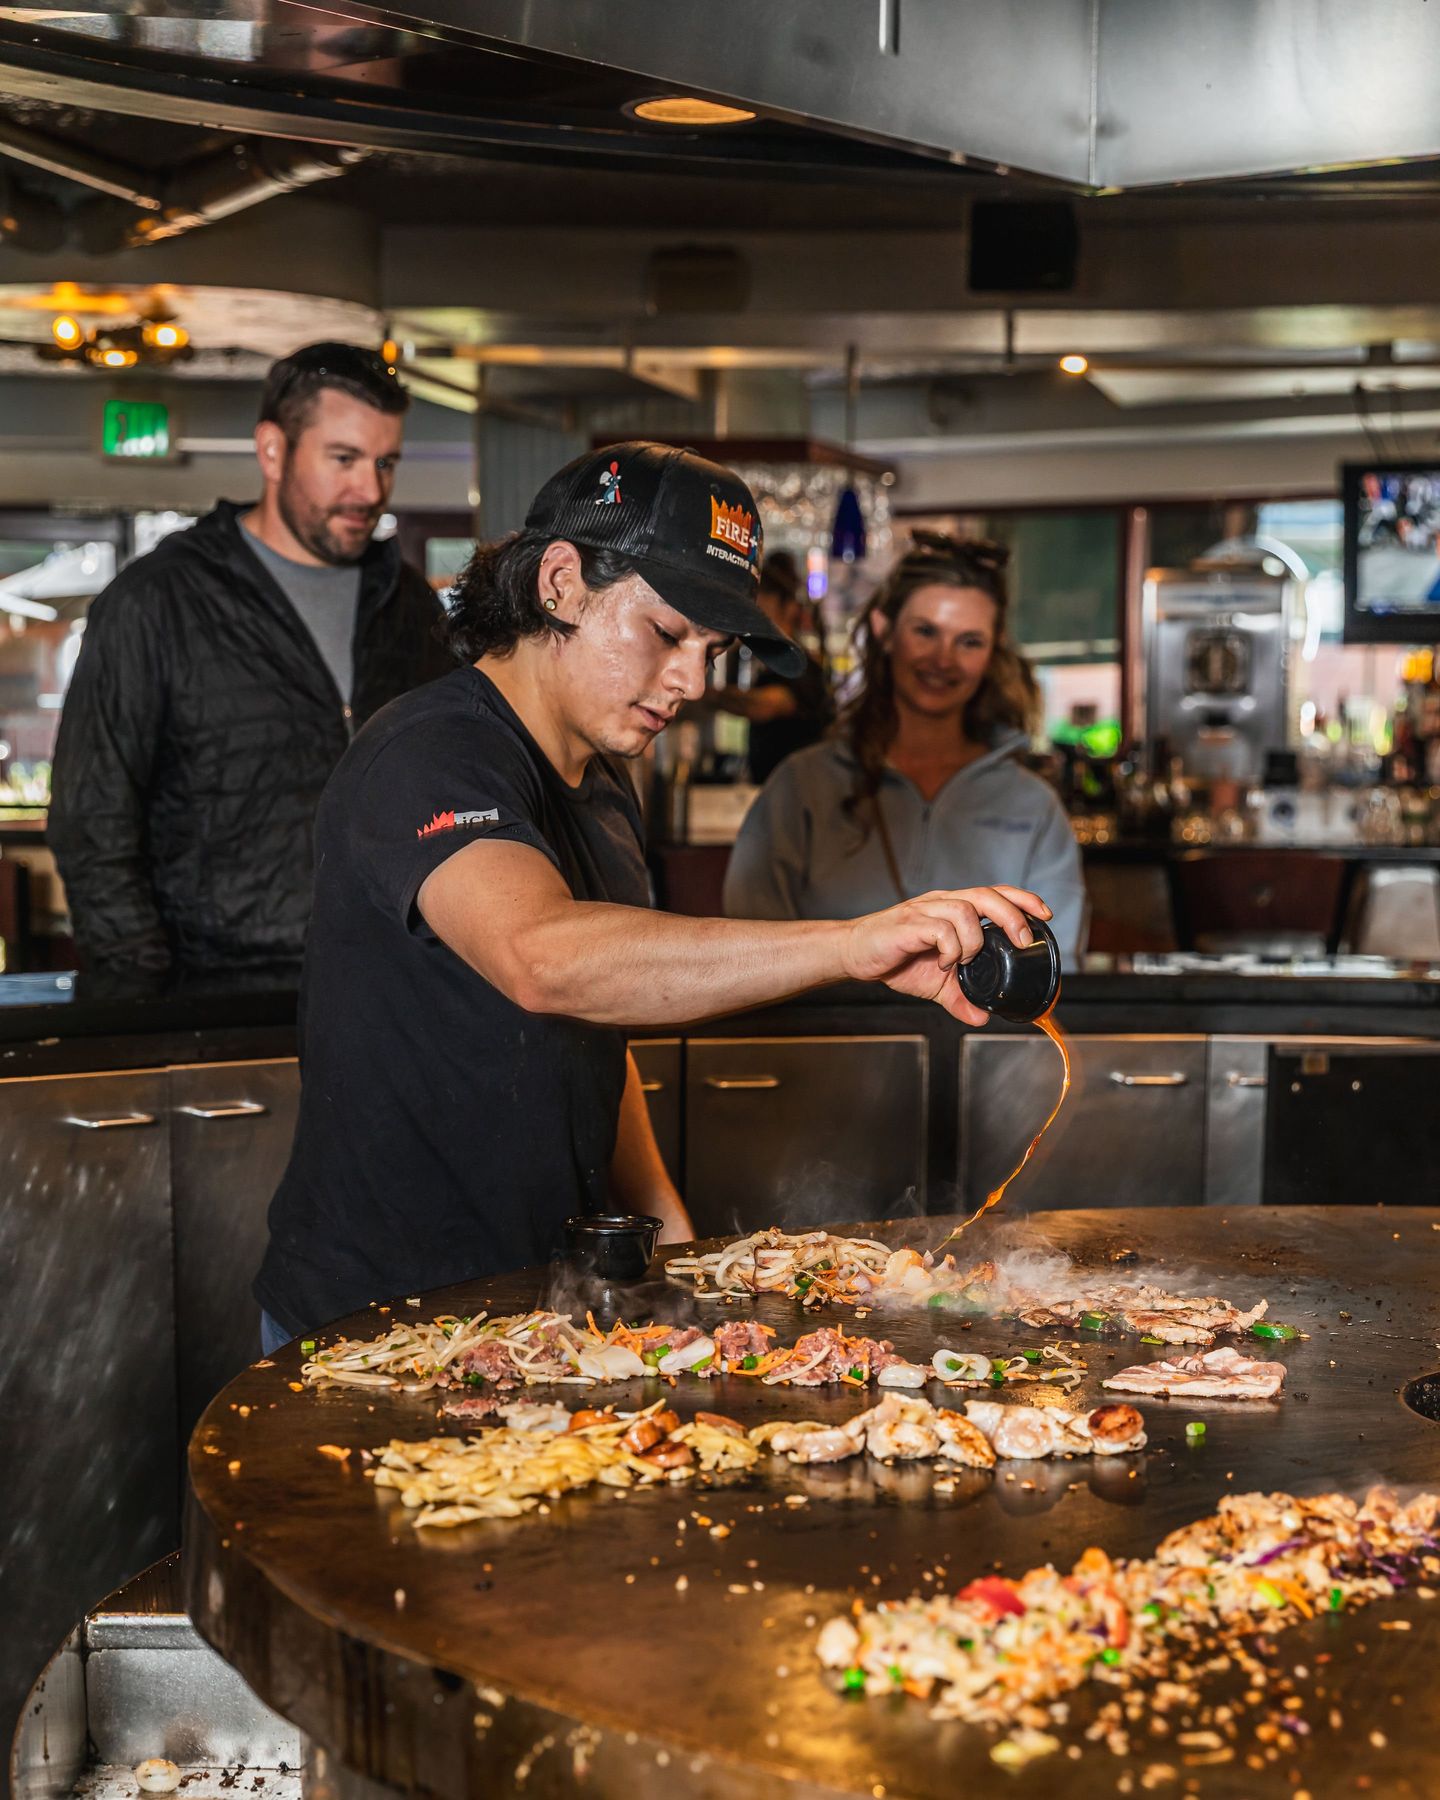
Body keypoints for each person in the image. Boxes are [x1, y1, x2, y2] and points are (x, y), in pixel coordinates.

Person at [253, 445, 1055, 1348]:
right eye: (667, 634)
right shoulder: (427, 753)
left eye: (711, 651)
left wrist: (676, 1249)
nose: (693, 682)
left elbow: (594, 1024)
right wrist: (850, 945)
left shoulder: (599, 781)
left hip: (541, 1310)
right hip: (381, 1316)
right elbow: (544, 961)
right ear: (560, 583)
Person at [49, 341, 452, 976]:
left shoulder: (409, 607)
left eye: (386, 462)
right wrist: (148, 1000)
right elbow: (92, 822)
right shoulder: (157, 600)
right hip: (218, 994)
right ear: (272, 450)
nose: (369, 489)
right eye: (343, 459)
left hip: (388, 992)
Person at [723, 531, 1086, 960]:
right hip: (827, 1029)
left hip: (986, 1028)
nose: (944, 659)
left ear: (992, 651)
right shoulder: (803, 785)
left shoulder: (1033, 806)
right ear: (885, 630)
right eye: (926, 631)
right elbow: (747, 953)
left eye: (969, 641)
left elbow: (1057, 968)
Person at [699, 550, 834, 784]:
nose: (754, 613)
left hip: (800, 798)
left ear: (790, 607)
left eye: (762, 603)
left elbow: (760, 705)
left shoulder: (800, 667)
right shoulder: (767, 666)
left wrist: (700, 695)